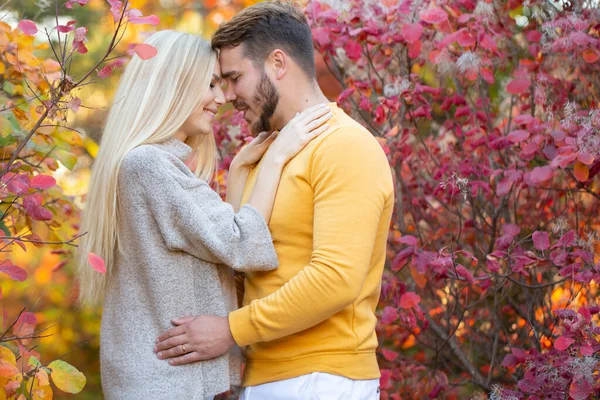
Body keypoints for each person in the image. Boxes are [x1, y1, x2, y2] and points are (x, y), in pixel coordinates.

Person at [154, 3, 395, 399]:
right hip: (264, 377)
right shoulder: (263, 156)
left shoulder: (344, 146)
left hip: (323, 378)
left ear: (278, 63)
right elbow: (239, 268)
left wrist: (230, 330)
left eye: (234, 77)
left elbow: (336, 280)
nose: (226, 95)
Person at [76, 30, 331, 399]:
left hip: (173, 380)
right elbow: (242, 243)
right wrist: (277, 156)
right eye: (210, 84)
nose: (222, 97)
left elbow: (222, 251)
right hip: (168, 384)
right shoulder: (148, 165)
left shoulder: (153, 165)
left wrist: (242, 171)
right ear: (173, 85)